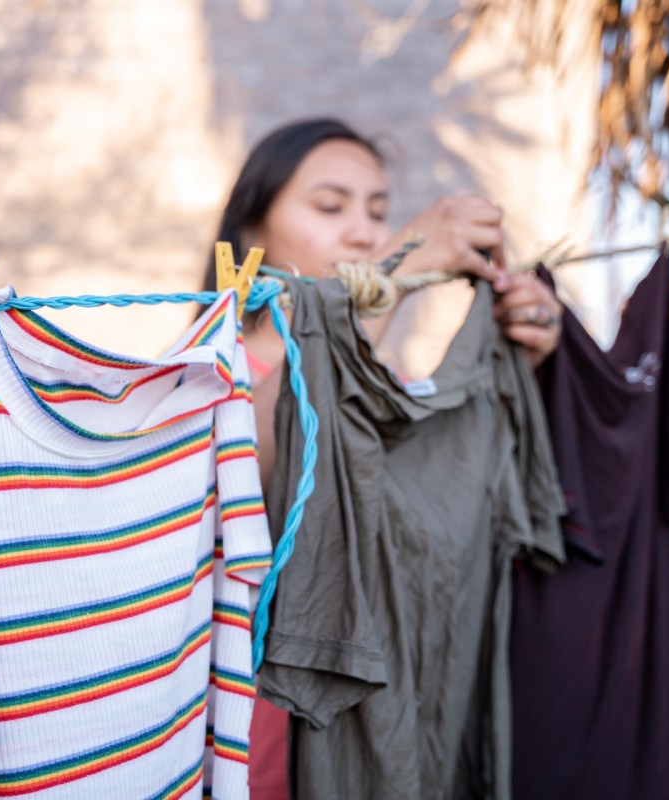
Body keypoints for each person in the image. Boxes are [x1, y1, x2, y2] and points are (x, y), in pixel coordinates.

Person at [201, 118, 563, 799]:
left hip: (388, 749)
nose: (364, 233)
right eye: (330, 207)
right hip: (256, 757)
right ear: (252, 234)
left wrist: (523, 360)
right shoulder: (212, 374)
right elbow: (273, 447)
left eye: (379, 212)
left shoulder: (391, 392)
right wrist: (404, 262)